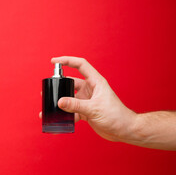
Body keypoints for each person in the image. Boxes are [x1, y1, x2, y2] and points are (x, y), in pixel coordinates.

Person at [39, 56, 176, 151]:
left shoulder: (66, 83)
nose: (69, 104)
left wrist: (130, 125)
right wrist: (130, 126)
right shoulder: (55, 82)